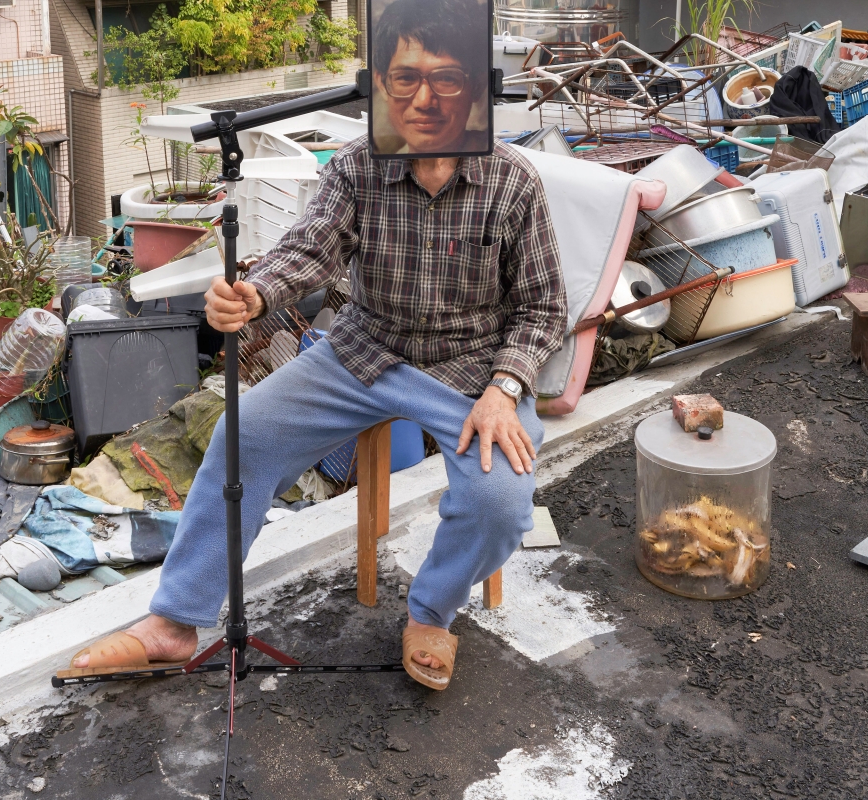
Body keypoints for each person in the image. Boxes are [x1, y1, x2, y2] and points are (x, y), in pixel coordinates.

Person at [66, 75, 566, 690]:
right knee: (241, 433)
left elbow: (544, 308)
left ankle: (431, 610)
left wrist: (505, 387)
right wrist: (254, 294)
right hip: (364, 350)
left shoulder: (514, 180)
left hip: (472, 369)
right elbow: (310, 249)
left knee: (499, 505)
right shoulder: (360, 165)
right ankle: (176, 620)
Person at [370, 0, 492, 156]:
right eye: (406, 78)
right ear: (382, 84)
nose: (424, 102)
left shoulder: (511, 173)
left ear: (478, 85)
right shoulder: (352, 171)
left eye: (446, 78)